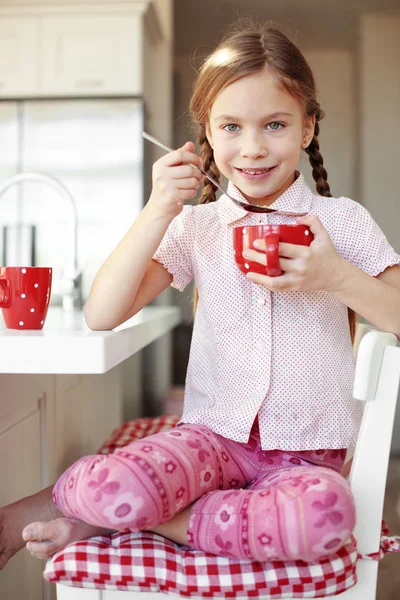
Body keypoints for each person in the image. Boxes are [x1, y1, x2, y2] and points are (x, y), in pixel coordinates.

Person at [1, 18, 400, 568]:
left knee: (327, 515)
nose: (254, 148)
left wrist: (334, 277)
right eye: (231, 127)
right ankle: (104, 506)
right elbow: (100, 314)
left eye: (276, 125)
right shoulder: (197, 225)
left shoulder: (341, 221)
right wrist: (158, 209)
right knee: (112, 481)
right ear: (208, 133)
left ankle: (155, 519)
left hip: (309, 457)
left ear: (308, 128)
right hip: (210, 441)